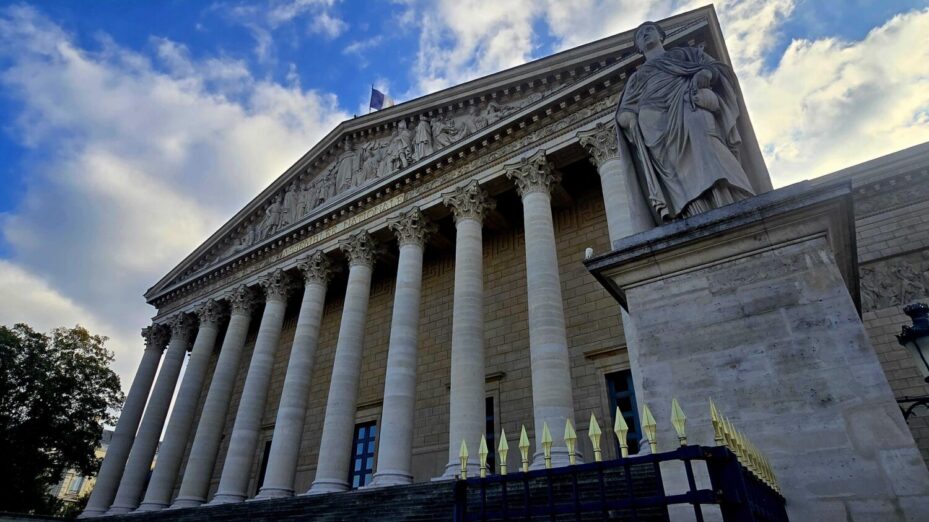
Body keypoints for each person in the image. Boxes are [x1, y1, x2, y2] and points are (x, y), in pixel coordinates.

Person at [615, 21, 756, 222]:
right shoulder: (637, 78)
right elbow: (625, 109)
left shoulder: (685, 54)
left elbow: (717, 69)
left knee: (705, 140)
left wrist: (706, 73)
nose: (645, 35)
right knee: (675, 172)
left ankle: (728, 197)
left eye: (649, 30)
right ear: (637, 47)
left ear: (661, 36)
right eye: (640, 35)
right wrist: (628, 119)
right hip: (655, 127)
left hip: (687, 103)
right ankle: (691, 212)